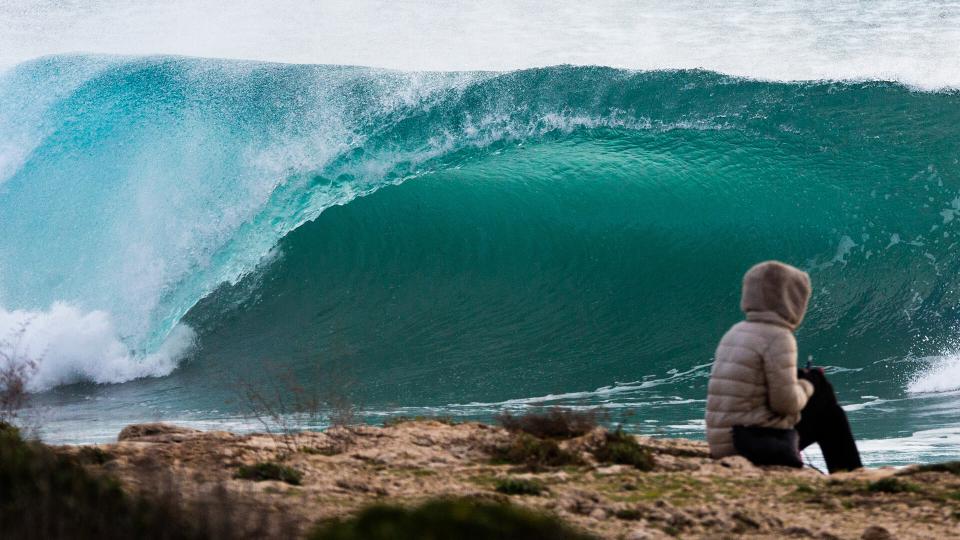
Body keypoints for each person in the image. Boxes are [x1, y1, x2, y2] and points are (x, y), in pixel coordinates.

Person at [705, 261, 861, 472]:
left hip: (724, 443)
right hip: (752, 445)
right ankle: (850, 473)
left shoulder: (735, 331)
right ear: (791, 299)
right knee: (828, 409)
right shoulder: (778, 336)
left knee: (812, 383)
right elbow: (785, 404)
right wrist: (808, 385)